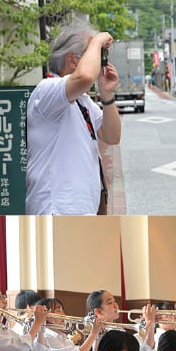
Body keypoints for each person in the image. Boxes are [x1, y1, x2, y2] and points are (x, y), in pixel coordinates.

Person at [26, 18, 121, 215]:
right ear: (73, 60)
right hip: (56, 210)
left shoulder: (82, 101)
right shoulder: (46, 90)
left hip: (81, 210)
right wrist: (96, 41)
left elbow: (112, 136)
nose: (99, 60)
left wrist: (107, 94)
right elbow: (85, 77)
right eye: (92, 53)